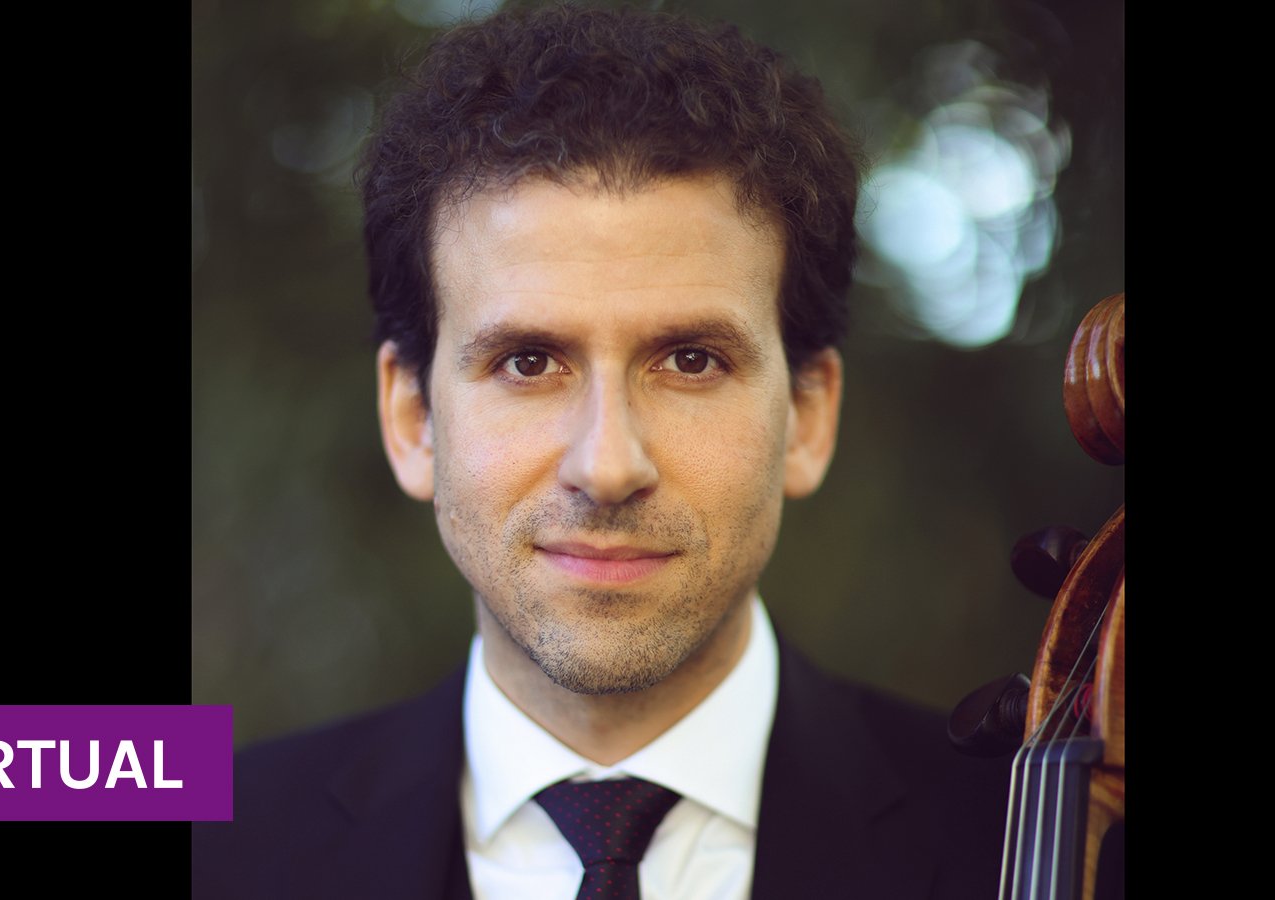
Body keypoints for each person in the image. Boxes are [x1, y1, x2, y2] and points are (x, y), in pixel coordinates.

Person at [194, 4, 1009, 897]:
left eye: (691, 361)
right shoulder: (215, 842)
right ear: (411, 419)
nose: (609, 466)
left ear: (808, 417)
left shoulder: (1036, 838)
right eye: (528, 362)